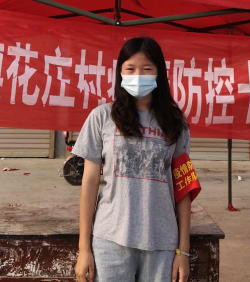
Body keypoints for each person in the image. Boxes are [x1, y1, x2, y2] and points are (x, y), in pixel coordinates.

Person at [73, 37, 200, 282]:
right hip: (110, 240)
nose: (138, 75)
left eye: (147, 68)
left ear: (159, 74)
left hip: (162, 243)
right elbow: (89, 184)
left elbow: (183, 188)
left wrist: (183, 251)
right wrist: (84, 249)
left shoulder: (176, 123)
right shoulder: (102, 117)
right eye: (130, 69)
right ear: (120, 72)